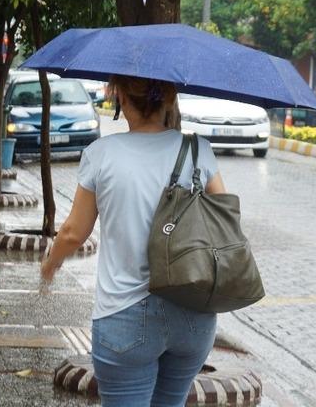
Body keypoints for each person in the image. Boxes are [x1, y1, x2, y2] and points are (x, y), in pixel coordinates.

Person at [40, 75, 223, 406]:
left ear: (120, 97)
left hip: (124, 316)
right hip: (193, 313)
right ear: (170, 98)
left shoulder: (101, 153)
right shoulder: (199, 150)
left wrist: (51, 263)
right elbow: (225, 220)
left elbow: (73, 232)